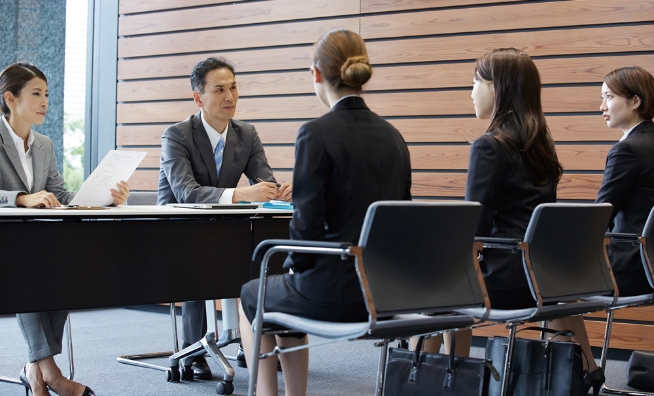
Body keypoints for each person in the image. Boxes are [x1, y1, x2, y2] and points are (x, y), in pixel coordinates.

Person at [238, 29, 411, 396]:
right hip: (385, 293)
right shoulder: (393, 136)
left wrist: (294, 267)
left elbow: (305, 226)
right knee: (282, 287)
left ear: (316, 74)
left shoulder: (315, 134)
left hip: (333, 294)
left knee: (253, 293)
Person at [157, 56, 292, 379]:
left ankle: (253, 343)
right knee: (197, 260)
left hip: (224, 227)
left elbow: (263, 181)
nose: (230, 97)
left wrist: (277, 192)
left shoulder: (246, 134)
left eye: (233, 88)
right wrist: (243, 195)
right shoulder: (177, 135)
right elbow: (187, 193)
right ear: (198, 97)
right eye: (219, 90)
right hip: (179, 229)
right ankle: (194, 351)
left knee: (262, 253)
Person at [0, 62, 130, 396]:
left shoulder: (43, 144)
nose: (45, 101)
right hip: (7, 243)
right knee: (26, 267)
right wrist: (22, 199)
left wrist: (107, 198)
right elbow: (24, 198)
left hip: (32, 242)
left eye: (47, 94)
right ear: (10, 99)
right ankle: (52, 374)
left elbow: (62, 196)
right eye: (36, 94)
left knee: (65, 267)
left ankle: (36, 368)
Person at [596, 66, 654, 296]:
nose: (602, 107)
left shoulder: (626, 150)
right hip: (648, 266)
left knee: (547, 281)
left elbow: (599, 216)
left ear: (635, 101)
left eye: (609, 97)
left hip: (630, 269)